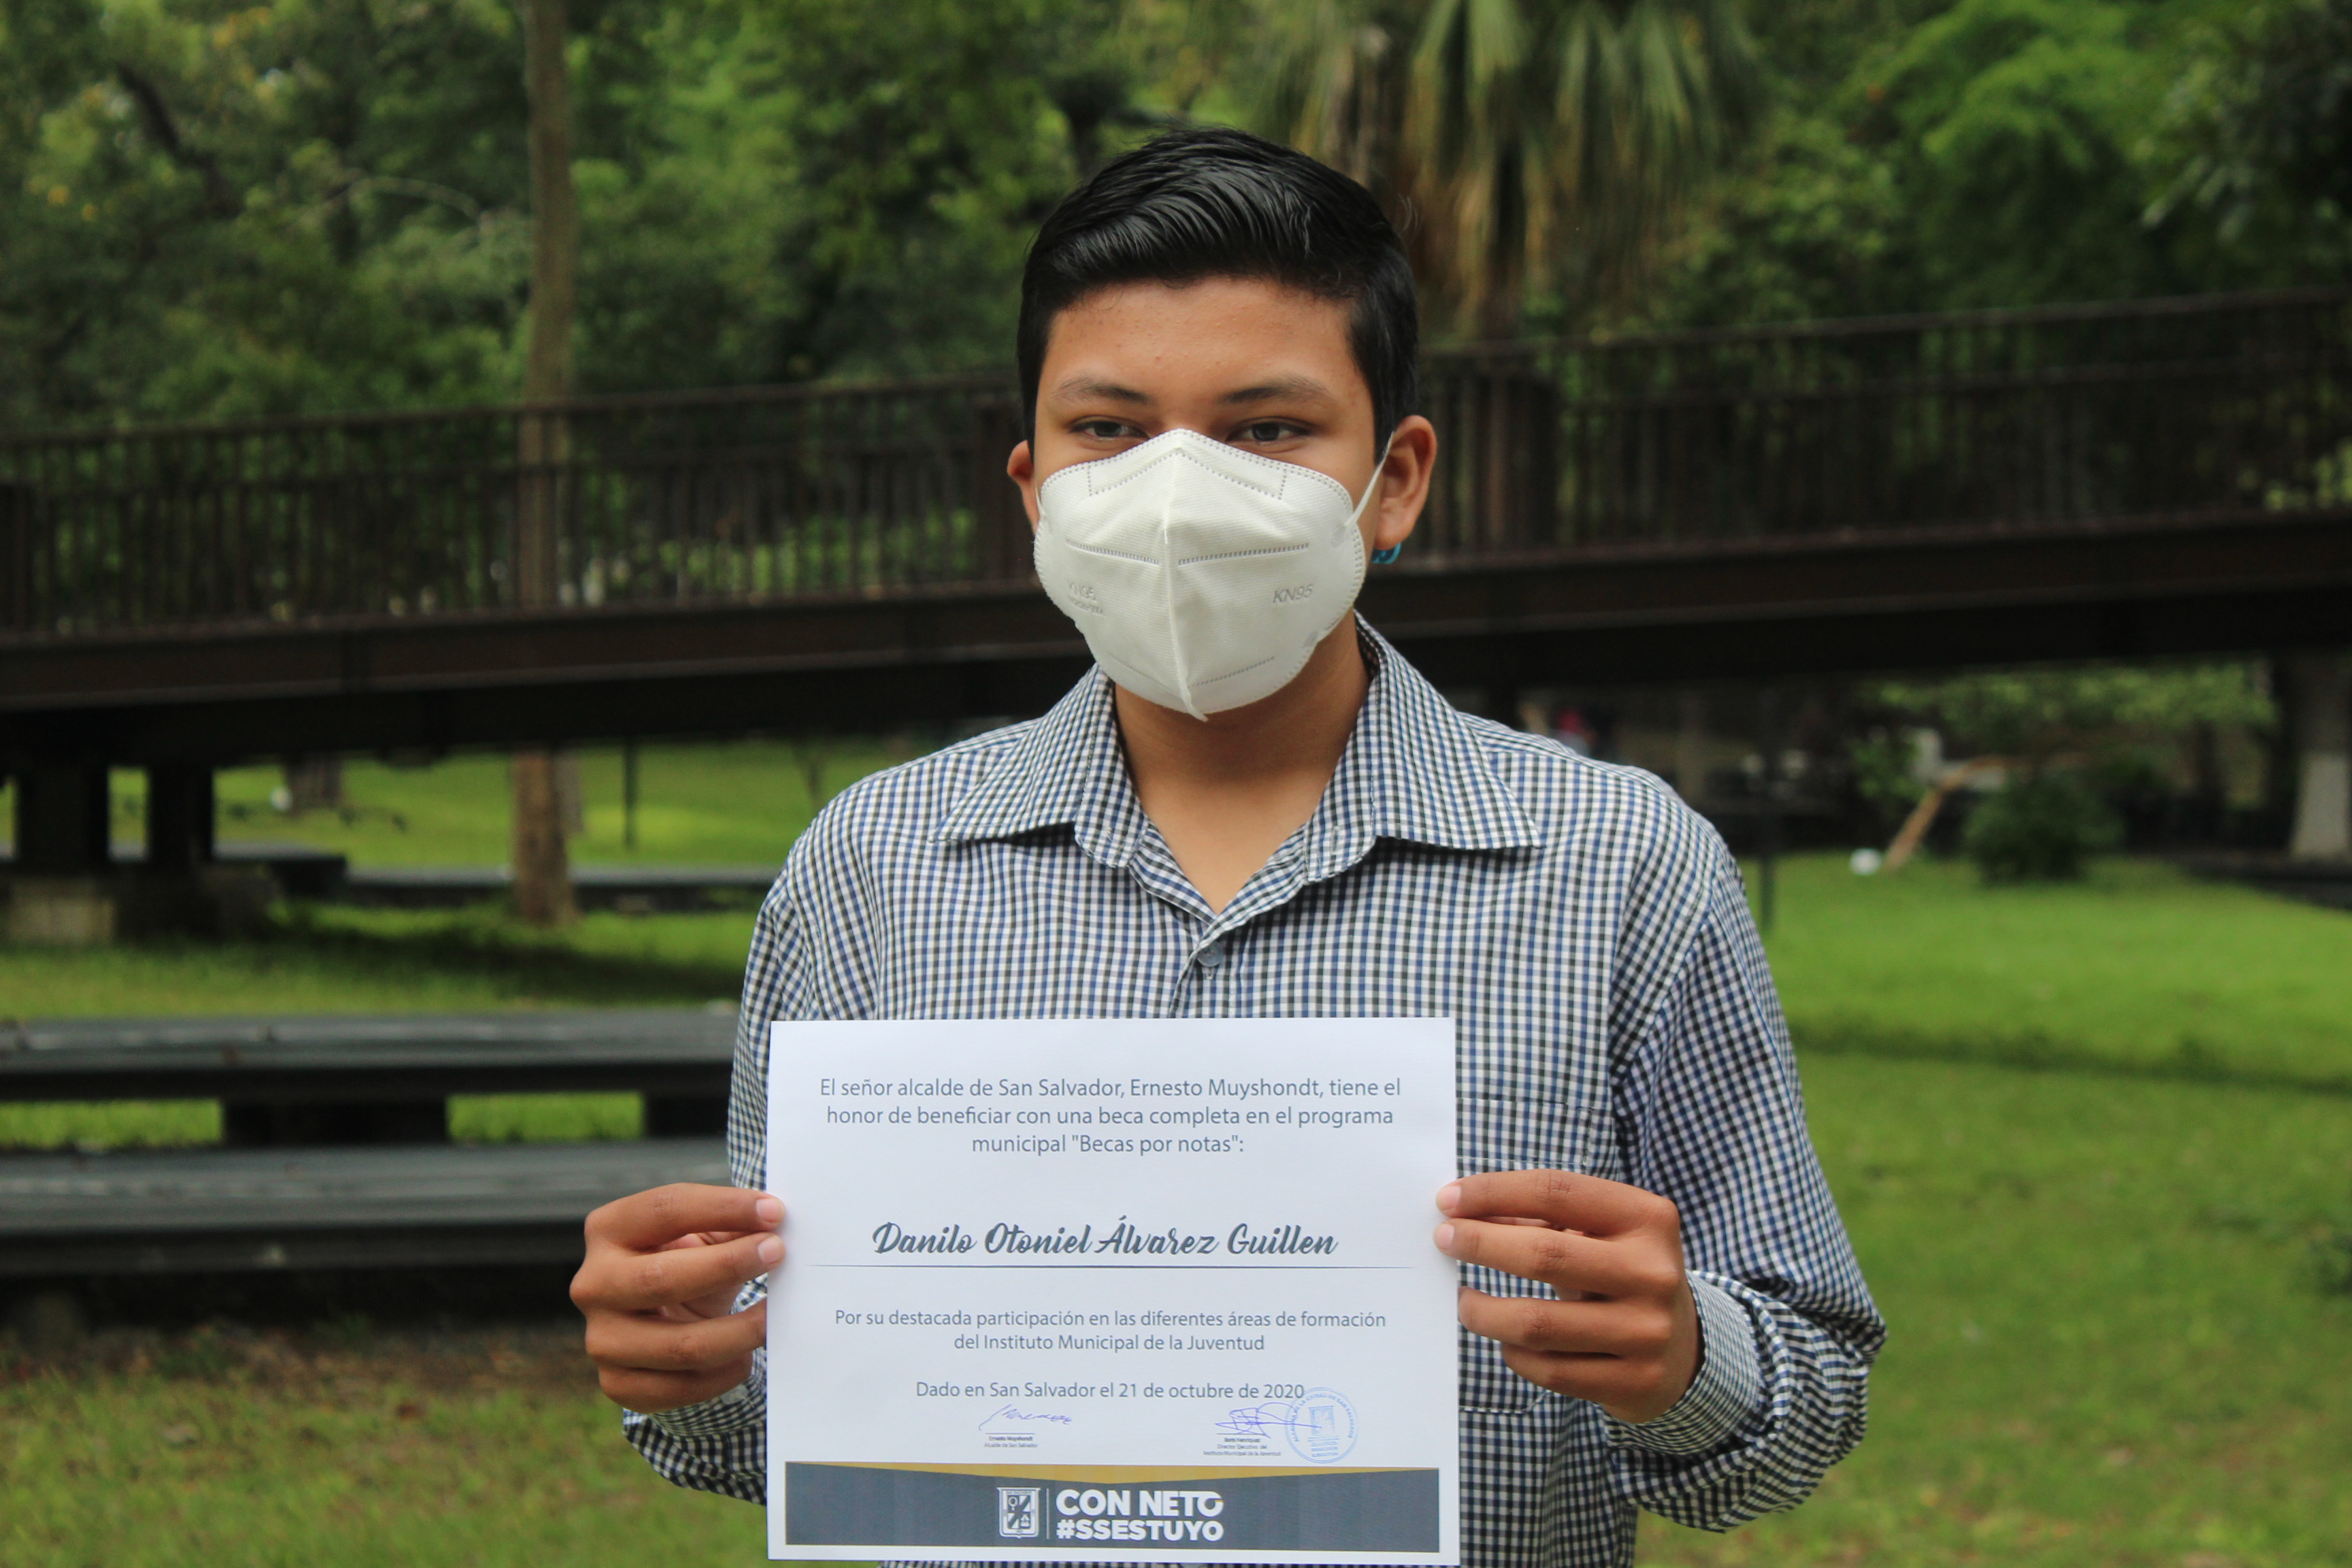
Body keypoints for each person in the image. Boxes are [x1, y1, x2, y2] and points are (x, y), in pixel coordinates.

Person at [570, 127, 1883, 1568]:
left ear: (1395, 479)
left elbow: (1809, 1390)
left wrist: (1685, 1362)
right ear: (1033, 486)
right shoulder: (873, 870)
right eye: (1110, 429)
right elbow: (781, 1409)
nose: (1180, 489)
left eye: (1266, 430)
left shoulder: (1622, 865)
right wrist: (687, 1361)